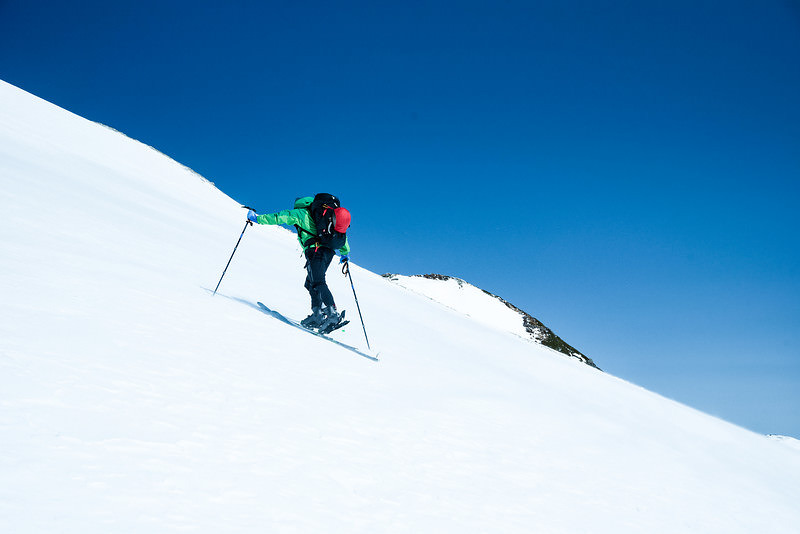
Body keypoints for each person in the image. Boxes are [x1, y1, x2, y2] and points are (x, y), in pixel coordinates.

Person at [247, 196, 350, 331]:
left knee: (318, 282)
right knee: (310, 283)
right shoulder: (326, 215)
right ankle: (317, 314)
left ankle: (332, 314)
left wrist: (257, 219)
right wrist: (345, 253)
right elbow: (341, 235)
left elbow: (280, 217)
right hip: (328, 253)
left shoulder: (302, 213)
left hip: (315, 251)